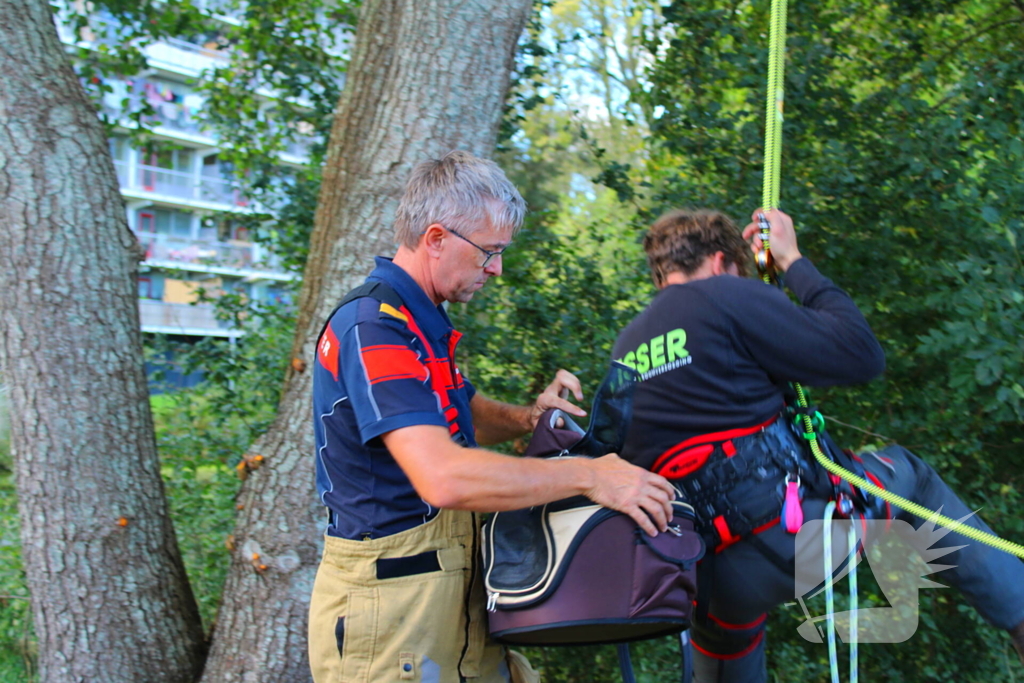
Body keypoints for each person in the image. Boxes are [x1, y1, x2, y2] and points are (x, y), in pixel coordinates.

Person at [308, 150, 676, 683]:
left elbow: (462, 414)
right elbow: (444, 475)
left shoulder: (420, 316)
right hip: (392, 615)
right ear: (436, 239)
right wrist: (593, 476)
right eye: (489, 252)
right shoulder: (374, 328)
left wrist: (531, 417)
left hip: (451, 590)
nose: (496, 268)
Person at [612, 207, 1024, 682]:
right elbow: (861, 354)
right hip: (792, 539)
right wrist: (792, 261)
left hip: (704, 577)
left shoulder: (626, 349)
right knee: (911, 478)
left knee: (726, 638)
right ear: (722, 261)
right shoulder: (723, 295)